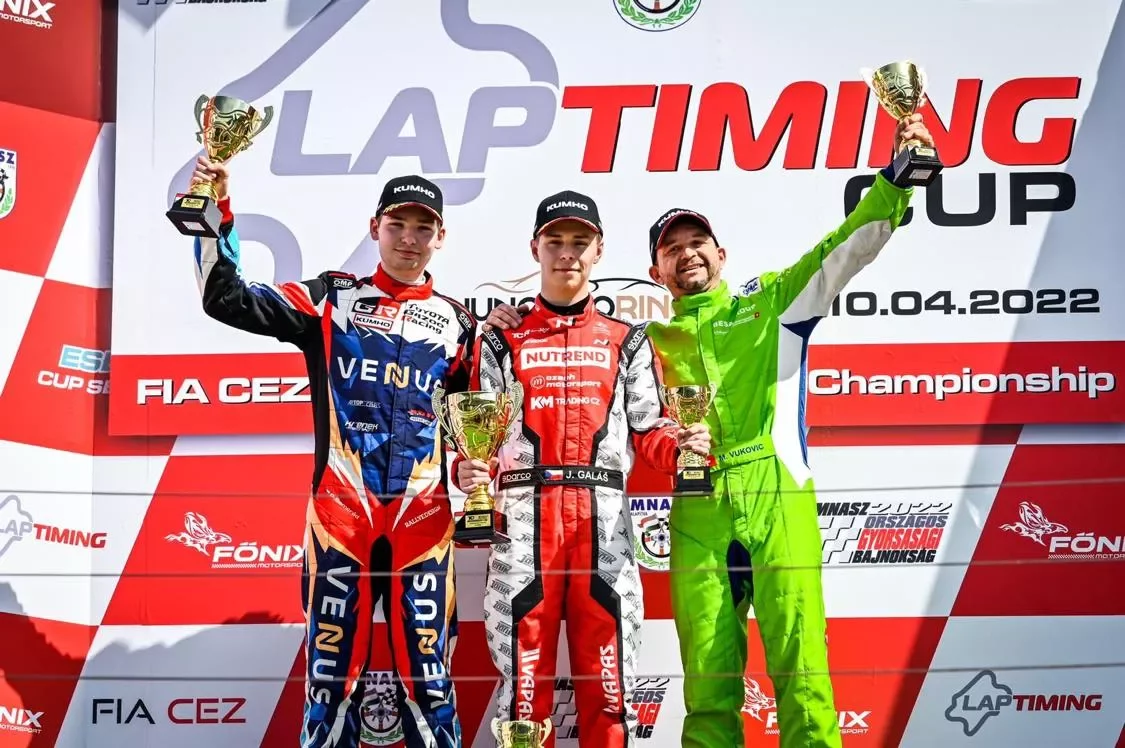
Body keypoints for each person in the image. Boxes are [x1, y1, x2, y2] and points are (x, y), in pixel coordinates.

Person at [483, 114, 935, 747]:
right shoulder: (645, 339)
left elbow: (844, 250)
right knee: (707, 676)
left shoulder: (773, 303)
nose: (688, 253)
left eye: (699, 242)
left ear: (722, 255)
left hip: (776, 492)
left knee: (802, 664)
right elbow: (616, 396)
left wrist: (896, 182)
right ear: (655, 269)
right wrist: (499, 322)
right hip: (696, 506)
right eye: (672, 248)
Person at [189, 158, 472, 748]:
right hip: (341, 516)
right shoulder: (330, 298)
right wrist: (217, 213)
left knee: (431, 681)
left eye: (423, 227)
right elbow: (227, 299)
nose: (409, 238)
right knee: (330, 681)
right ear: (375, 228)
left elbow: (483, 424)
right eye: (397, 224)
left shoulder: (459, 323)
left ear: (441, 236)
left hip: (422, 520)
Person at [456, 191, 711, 747]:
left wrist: (684, 447)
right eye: (555, 241)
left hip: (604, 526)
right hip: (524, 525)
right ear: (536, 248)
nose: (567, 253)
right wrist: (467, 473)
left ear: (599, 250)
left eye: (580, 241)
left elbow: (649, 428)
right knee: (522, 699)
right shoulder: (501, 338)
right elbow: (480, 436)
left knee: (611, 692)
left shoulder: (628, 339)